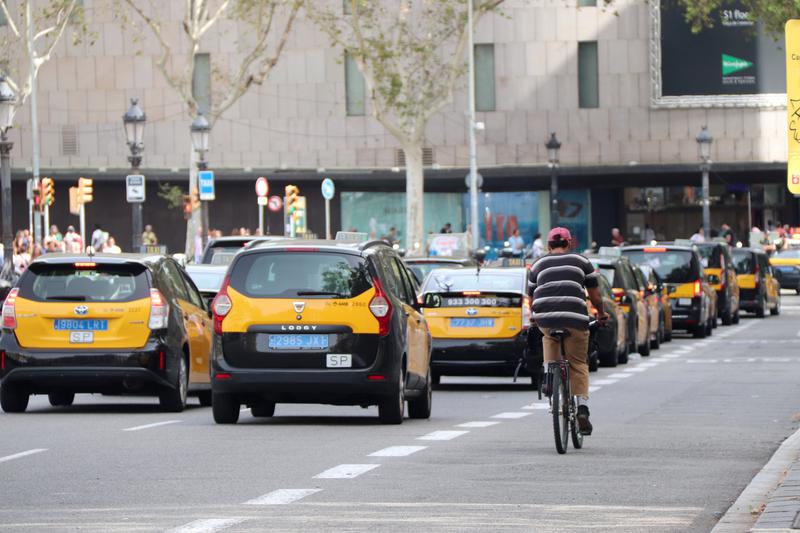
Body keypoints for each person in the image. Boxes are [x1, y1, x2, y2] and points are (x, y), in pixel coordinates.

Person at [528, 227, 608, 436]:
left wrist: (534, 316)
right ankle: (582, 408)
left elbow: (532, 297)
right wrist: (601, 314)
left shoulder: (537, 265)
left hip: (545, 317)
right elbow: (595, 296)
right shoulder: (582, 262)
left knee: (548, 337)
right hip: (574, 318)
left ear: (548, 246)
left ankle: (548, 376)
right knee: (578, 363)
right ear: (570, 243)